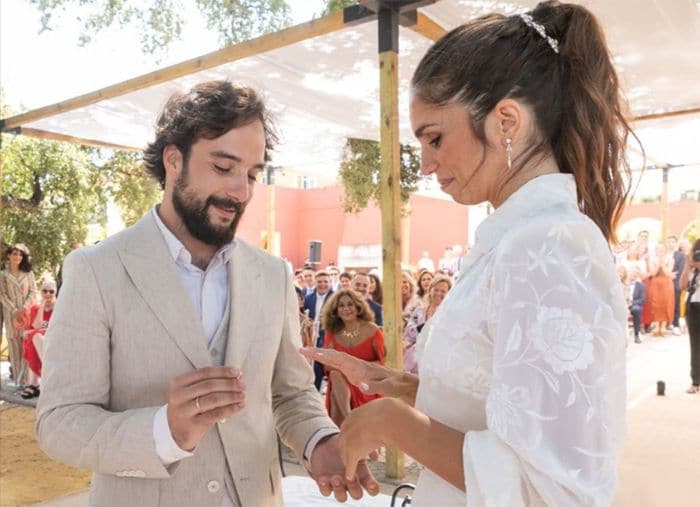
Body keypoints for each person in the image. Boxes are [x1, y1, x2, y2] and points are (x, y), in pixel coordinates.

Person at [302, 2, 630, 504]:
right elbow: (505, 408)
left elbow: (554, 489)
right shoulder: (517, 241)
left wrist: (396, 424)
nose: (427, 164)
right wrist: (408, 389)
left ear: (506, 122)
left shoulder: (547, 245)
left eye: (434, 137)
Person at [36, 80, 377, 506]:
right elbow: (59, 422)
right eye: (223, 168)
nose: (242, 191)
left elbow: (290, 393)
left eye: (252, 174)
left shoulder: (272, 275)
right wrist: (166, 431)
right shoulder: (96, 270)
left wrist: (320, 441)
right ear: (174, 160)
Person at [320, 289, 385, 427]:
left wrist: (355, 366)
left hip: (366, 382)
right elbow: (327, 365)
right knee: (336, 375)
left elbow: (381, 362)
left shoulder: (372, 330)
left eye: (350, 304)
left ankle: (347, 427)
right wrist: (347, 369)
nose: (346, 309)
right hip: (342, 382)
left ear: (358, 307)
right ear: (336, 311)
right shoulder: (332, 332)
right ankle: (350, 420)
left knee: (336, 392)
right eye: (341, 306)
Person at [0, 243, 38, 385]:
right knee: (14, 348)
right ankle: (18, 381)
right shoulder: (3, 275)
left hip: (26, 316)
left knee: (26, 347)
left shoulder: (28, 273)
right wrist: (15, 310)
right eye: (15, 253)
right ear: (9, 256)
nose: (17, 257)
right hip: (11, 317)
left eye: (20, 254)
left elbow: (33, 292)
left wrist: (24, 308)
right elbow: (2, 295)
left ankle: (28, 381)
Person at [15, 279, 57, 399]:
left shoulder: (60, 307)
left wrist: (34, 332)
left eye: (51, 291)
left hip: (54, 341)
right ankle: (36, 384)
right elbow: (37, 325)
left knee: (34, 336)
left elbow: (56, 329)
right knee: (34, 338)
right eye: (45, 291)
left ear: (55, 292)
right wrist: (42, 306)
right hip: (40, 343)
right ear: (41, 292)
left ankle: (33, 384)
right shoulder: (36, 308)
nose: (48, 294)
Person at [403, 275, 452, 373]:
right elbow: (408, 333)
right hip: (414, 361)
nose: (439, 293)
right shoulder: (419, 311)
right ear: (430, 290)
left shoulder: (448, 314)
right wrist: (424, 328)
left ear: (449, 294)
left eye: (443, 291)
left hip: (437, 362)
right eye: (436, 289)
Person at [304, 271, 334, 391]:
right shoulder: (308, 298)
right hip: (310, 338)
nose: (323, 284)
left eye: (325, 282)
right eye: (320, 281)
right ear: (315, 282)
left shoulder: (335, 297)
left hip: (326, 338)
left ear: (330, 283)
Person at [679, 239, 700, 394]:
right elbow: (682, 286)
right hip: (693, 306)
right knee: (695, 345)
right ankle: (696, 381)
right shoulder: (692, 268)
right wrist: (688, 265)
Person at [627, 267, 646, 344]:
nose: (633, 274)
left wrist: (632, 303)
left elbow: (642, 299)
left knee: (636, 310)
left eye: (636, 273)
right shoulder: (622, 283)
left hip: (634, 304)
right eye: (632, 273)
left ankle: (636, 334)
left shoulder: (640, 285)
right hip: (622, 304)